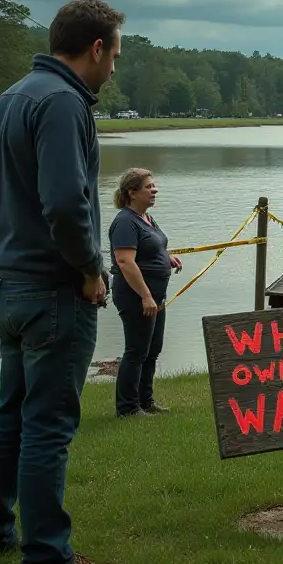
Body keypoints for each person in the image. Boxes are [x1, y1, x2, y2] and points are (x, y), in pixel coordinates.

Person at [0, 0, 125, 564]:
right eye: (116, 55)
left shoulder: (9, 98)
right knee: (48, 426)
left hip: (9, 289)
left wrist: (7, 258)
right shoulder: (62, 103)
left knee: (11, 417)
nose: (114, 69)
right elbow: (66, 203)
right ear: (97, 47)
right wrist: (86, 268)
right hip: (55, 294)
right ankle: (50, 561)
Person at [109, 168, 183, 417]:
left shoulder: (146, 218)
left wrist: (167, 257)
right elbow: (125, 262)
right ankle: (128, 407)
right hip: (136, 296)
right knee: (137, 350)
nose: (155, 190)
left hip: (155, 296)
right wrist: (145, 295)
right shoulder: (125, 222)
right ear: (132, 192)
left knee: (153, 348)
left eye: (154, 186)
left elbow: (152, 246)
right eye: (149, 187)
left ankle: (145, 400)